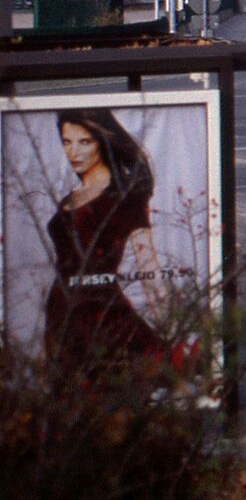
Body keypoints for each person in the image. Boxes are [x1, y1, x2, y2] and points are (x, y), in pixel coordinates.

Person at [45, 109, 170, 383]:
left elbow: (148, 266)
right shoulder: (70, 198)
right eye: (66, 142)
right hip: (60, 313)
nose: (73, 152)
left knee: (108, 391)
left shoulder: (125, 197)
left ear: (102, 142)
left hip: (100, 315)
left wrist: (173, 325)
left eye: (84, 142)